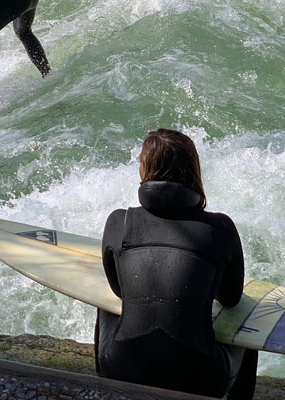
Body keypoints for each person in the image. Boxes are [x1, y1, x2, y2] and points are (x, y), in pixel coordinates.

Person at [94, 128, 258, 399]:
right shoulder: (220, 228)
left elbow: (119, 290)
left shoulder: (118, 222)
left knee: (104, 305)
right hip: (201, 379)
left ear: (147, 171)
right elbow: (230, 299)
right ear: (193, 170)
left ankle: (104, 391)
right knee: (250, 326)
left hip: (122, 369)